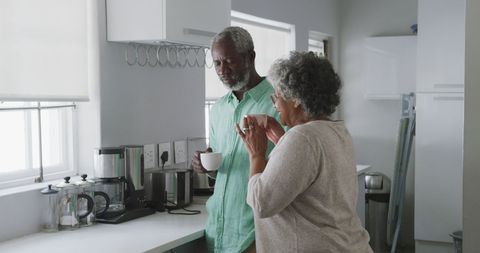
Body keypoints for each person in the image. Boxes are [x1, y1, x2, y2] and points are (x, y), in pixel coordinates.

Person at [236, 51, 373, 253]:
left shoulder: (302, 138)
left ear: (296, 99)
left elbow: (261, 203)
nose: (275, 104)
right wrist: (282, 140)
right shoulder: (336, 131)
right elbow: (309, 177)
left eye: (277, 96)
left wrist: (256, 154)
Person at [190, 26, 279, 253]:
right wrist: (206, 167)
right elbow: (224, 165)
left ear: (250, 57)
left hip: (255, 233)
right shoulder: (219, 109)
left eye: (229, 61)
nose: (223, 70)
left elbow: (290, 167)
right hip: (217, 230)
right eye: (217, 63)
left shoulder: (278, 104)